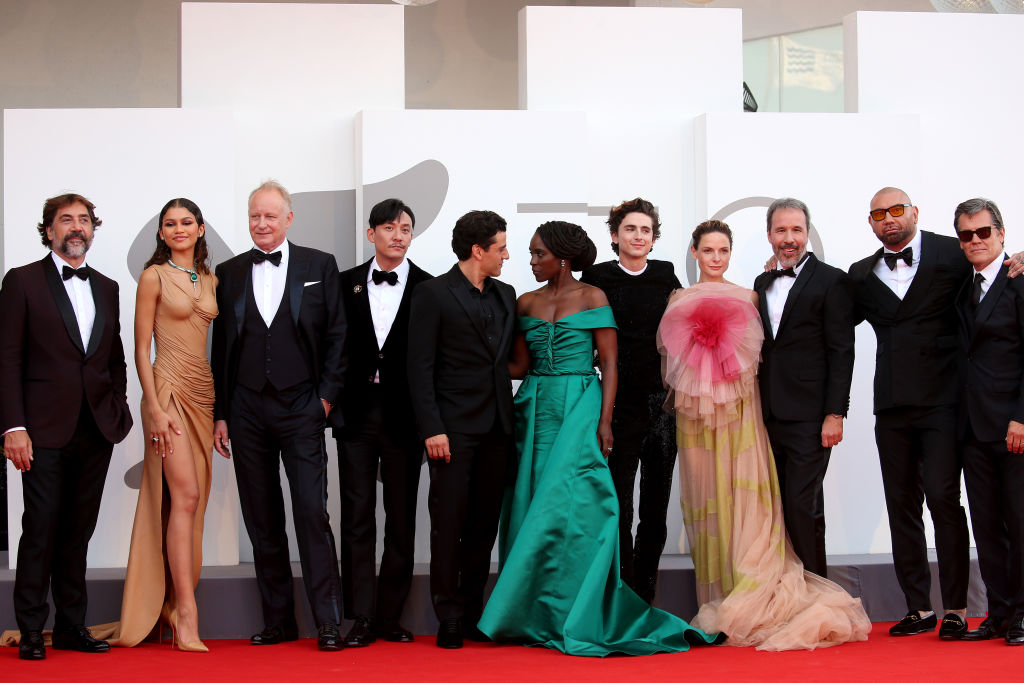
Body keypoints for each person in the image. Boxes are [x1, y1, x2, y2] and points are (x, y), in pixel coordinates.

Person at [478, 222, 720, 656]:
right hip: (534, 407)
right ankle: (526, 611)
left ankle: (572, 606)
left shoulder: (593, 297)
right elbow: (515, 366)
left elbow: (610, 365)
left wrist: (605, 421)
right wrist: (468, 365)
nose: (530, 261)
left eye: (538, 254)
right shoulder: (524, 301)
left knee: (572, 506)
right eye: (530, 254)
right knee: (530, 503)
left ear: (563, 258)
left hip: (580, 405)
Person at [658, 220, 870, 651]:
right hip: (697, 421)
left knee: (754, 502)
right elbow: (675, 365)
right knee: (708, 500)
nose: (716, 258)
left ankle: (762, 586)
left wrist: (834, 411)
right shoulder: (679, 299)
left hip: (744, 414)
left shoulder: (750, 293)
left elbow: (779, 352)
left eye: (723, 251)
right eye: (709, 251)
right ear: (695, 253)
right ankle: (720, 594)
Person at [210, 180, 346, 651]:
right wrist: (221, 413)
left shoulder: (318, 265)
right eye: (254, 216)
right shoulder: (227, 272)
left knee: (311, 512)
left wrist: (324, 399)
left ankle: (328, 621)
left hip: (301, 406)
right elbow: (221, 349)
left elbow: (337, 336)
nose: (261, 224)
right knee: (261, 516)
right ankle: (279, 620)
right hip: (245, 408)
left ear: (288, 219)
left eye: (270, 215)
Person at [1, 193, 133, 660]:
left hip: (95, 429)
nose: (76, 227)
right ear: (49, 229)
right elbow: (8, 358)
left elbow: (112, 357)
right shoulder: (21, 282)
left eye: (83, 220)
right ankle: (33, 629)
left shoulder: (108, 285)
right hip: (40, 430)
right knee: (40, 529)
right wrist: (13, 426)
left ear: (92, 229)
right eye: (65, 220)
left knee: (79, 532)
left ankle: (73, 625)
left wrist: (116, 407)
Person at [847, 186, 975, 638]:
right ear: (871, 222)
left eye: (897, 210)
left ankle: (957, 607)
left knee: (943, 499)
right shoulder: (861, 275)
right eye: (879, 213)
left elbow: (991, 267)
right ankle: (918, 608)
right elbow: (828, 315)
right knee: (902, 506)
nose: (889, 218)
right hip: (893, 405)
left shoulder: (951, 251)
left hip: (944, 400)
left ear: (914, 212)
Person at [107, 198, 219, 652]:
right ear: (160, 233)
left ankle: (174, 603)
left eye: (186, 222)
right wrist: (151, 406)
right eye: (169, 224)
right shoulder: (153, 277)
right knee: (185, 495)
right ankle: (186, 613)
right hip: (168, 392)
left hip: (204, 395)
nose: (178, 229)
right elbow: (139, 349)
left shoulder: (212, 278)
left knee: (194, 505)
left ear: (200, 228)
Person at [407, 210, 516, 649]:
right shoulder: (432, 294)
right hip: (450, 430)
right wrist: (432, 427)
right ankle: (448, 614)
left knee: (484, 524)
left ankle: (472, 610)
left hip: (497, 428)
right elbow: (419, 366)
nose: (507, 255)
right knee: (448, 523)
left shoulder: (506, 294)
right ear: (478, 250)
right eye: (501, 247)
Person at [335, 199, 431, 646]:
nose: (398, 235)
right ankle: (359, 617)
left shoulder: (429, 289)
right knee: (356, 517)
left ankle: (390, 616)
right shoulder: (344, 284)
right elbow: (330, 347)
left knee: (401, 517)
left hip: (405, 416)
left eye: (406, 228)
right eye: (389, 227)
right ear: (371, 233)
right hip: (355, 412)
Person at [580, 198, 682, 603]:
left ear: (653, 238)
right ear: (614, 236)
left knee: (655, 509)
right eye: (630, 229)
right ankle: (619, 593)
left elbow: (693, 318)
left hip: (662, 404)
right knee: (618, 503)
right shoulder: (598, 276)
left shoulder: (666, 275)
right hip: (616, 405)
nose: (638, 236)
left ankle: (645, 596)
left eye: (645, 230)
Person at [752, 198, 855, 578]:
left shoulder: (832, 280)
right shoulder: (762, 283)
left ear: (807, 233)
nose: (789, 238)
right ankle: (790, 591)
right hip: (768, 414)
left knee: (801, 504)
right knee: (780, 506)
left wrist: (835, 413)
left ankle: (816, 594)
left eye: (796, 230)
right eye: (781, 230)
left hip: (813, 417)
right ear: (769, 236)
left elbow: (842, 351)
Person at [950, 198, 1024, 645]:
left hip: (1013, 426)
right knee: (987, 523)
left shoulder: (1020, 282)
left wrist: (1022, 417)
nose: (975, 241)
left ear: (1000, 233)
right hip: (972, 428)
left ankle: (1022, 614)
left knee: (1020, 522)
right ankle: (997, 612)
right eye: (966, 235)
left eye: (982, 232)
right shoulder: (962, 286)